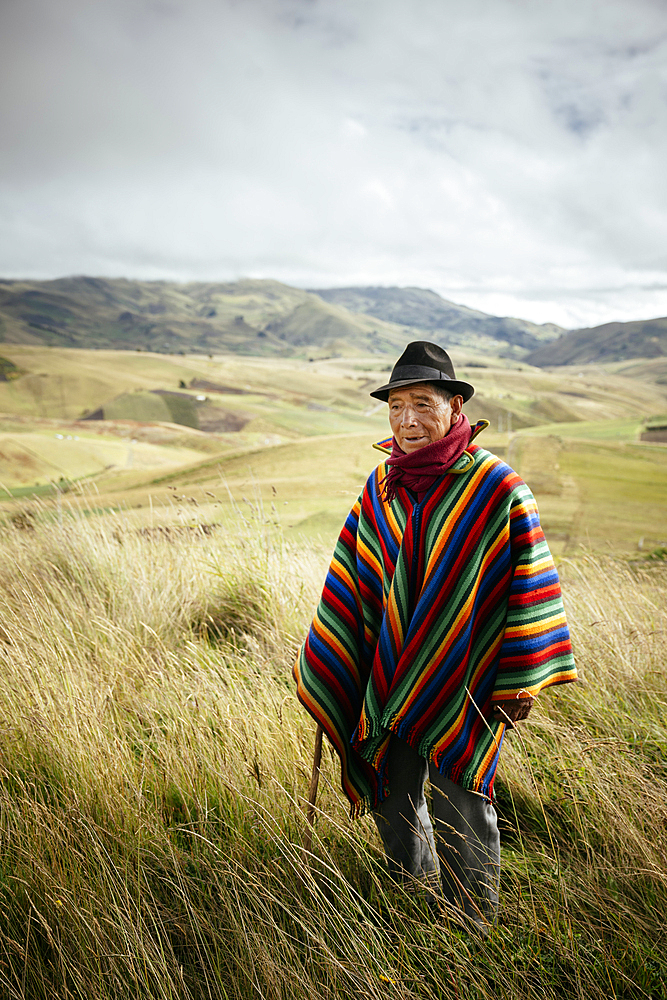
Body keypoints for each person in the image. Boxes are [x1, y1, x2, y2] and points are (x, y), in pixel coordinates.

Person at [293, 341, 577, 928]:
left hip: (467, 672)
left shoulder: (497, 487)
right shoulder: (381, 486)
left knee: (461, 799)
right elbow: (357, 576)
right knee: (392, 793)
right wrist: (337, 657)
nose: (407, 421)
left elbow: (531, 581)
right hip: (391, 670)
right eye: (396, 406)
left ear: (455, 407)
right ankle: (414, 896)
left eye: (422, 404)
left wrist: (521, 679)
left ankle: (472, 925)